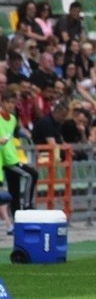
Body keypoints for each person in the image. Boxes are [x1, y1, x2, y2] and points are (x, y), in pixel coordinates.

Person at [1, 88, 40, 219]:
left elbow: (11, 137)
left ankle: (17, 216)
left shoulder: (12, 119)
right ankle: (27, 205)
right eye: (9, 102)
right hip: (6, 159)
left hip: (12, 155)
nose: (12, 105)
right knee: (31, 174)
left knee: (14, 188)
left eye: (13, 103)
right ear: (3, 102)